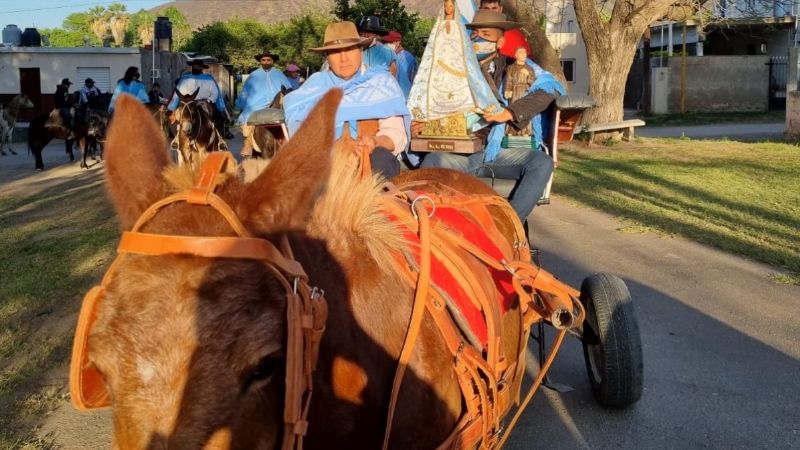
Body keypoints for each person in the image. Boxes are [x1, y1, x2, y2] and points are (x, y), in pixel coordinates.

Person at [418, 10, 566, 222]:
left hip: (498, 150)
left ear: (501, 41)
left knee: (542, 163)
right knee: (432, 159)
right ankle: (432, 227)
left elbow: (551, 89)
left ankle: (508, 225)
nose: (478, 39)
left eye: (486, 34)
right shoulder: (453, 70)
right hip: (461, 153)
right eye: (475, 34)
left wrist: (508, 113)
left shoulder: (516, 66)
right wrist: (424, 123)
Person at [284, 21, 410, 179]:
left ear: (361, 50)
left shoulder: (381, 83)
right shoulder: (313, 88)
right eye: (336, 52)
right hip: (326, 167)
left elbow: (396, 135)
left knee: (381, 159)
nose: (343, 58)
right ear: (327, 57)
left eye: (349, 49)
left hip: (372, 162)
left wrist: (375, 141)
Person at [235, 49, 292, 158]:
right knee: (248, 119)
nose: (266, 62)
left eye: (268, 60)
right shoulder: (253, 75)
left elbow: (289, 89)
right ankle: (248, 144)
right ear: (260, 61)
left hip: (277, 107)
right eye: (264, 60)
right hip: (256, 107)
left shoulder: (279, 74)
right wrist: (241, 105)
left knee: (292, 120)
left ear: (272, 61)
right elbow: (245, 92)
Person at [167, 59, 233, 139]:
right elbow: (177, 95)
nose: (196, 67)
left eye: (198, 66)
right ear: (192, 67)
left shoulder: (208, 79)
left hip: (204, 103)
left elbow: (215, 94)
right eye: (195, 66)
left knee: (218, 117)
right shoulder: (185, 79)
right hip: (188, 103)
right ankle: (177, 139)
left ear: (202, 68)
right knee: (173, 119)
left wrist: (209, 100)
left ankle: (220, 139)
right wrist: (172, 108)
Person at [383, 31, 417, 100]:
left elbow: (401, 78)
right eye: (385, 42)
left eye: (390, 42)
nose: (386, 44)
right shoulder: (390, 55)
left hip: (404, 96)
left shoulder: (406, 57)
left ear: (397, 43)